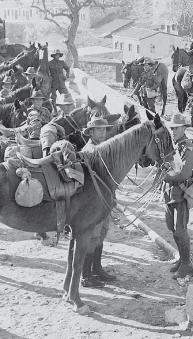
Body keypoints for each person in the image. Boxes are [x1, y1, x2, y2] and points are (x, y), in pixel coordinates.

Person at [79, 117, 116, 287]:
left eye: (104, 130)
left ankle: (97, 269)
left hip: (104, 200)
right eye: (98, 130)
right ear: (91, 132)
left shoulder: (103, 148)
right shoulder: (89, 151)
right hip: (93, 202)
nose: (102, 133)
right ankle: (86, 276)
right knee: (93, 236)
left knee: (102, 233)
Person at [163, 112, 193, 279]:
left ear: (184, 128)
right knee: (171, 227)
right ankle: (182, 259)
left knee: (180, 230)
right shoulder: (174, 146)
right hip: (169, 192)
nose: (174, 131)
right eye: (172, 128)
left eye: (177, 128)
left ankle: (186, 264)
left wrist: (166, 176)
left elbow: (184, 174)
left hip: (181, 193)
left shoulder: (189, 148)